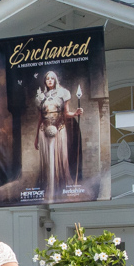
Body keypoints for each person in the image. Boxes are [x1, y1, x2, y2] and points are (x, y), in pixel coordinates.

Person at [32, 70, 80, 201]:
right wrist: (36, 136)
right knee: (48, 161)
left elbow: (66, 113)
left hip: (59, 129)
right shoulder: (41, 97)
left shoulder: (63, 93)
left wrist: (75, 113)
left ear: (55, 80)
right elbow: (40, 117)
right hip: (44, 130)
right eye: (47, 79)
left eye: (52, 78)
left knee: (59, 159)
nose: (49, 81)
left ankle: (59, 188)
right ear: (45, 81)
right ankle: (49, 189)